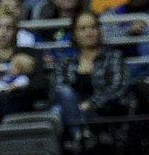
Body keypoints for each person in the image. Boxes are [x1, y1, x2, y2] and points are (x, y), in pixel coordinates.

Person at [50, 9, 132, 140]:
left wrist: (91, 104)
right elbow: (59, 89)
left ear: (99, 30)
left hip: (101, 113)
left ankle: (79, 135)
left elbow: (118, 88)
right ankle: (80, 134)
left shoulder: (113, 57)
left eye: (93, 27)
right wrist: (76, 108)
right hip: (73, 110)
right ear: (74, 34)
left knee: (58, 112)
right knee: (61, 98)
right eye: (82, 29)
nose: (89, 32)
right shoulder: (65, 63)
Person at [0, 8, 47, 117]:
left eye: (8, 28)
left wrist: (10, 90)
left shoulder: (31, 54)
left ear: (16, 31)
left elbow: (40, 85)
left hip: (25, 106)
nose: (3, 33)